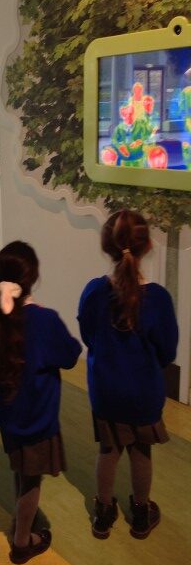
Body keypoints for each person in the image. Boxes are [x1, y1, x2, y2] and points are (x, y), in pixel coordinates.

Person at [78, 209, 178, 540]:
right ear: (147, 245)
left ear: (106, 245)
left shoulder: (94, 291)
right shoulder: (159, 299)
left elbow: (88, 336)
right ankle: (140, 514)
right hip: (144, 393)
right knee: (141, 452)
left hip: (105, 391)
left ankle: (103, 515)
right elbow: (167, 352)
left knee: (108, 451)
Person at [0, 241, 81, 565]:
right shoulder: (44, 319)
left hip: (8, 414)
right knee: (32, 480)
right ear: (33, 277)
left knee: (21, 468)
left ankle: (21, 518)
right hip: (37, 417)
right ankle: (23, 541)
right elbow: (70, 355)